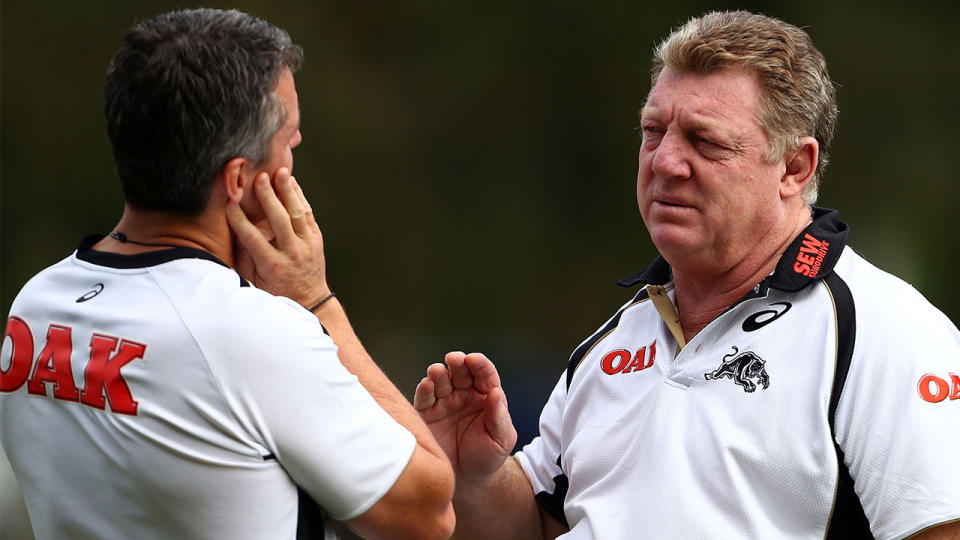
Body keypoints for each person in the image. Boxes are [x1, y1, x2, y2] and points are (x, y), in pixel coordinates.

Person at [413, 10, 960, 540]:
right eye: (654, 131)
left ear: (795, 168)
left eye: (706, 141)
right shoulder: (613, 341)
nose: (665, 161)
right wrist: (477, 476)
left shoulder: (888, 330)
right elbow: (538, 528)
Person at [0, 8, 454, 540]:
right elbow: (430, 514)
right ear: (239, 180)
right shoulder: (251, 332)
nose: (298, 145)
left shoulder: (33, 305)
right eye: (289, 137)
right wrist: (315, 301)